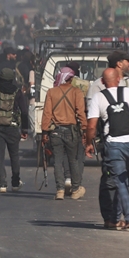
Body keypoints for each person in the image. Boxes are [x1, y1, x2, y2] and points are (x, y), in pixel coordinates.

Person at [86, 67, 129, 231]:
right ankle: (117, 219)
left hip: (114, 145)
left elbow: (92, 126)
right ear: (119, 79)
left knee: (119, 182)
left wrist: (89, 143)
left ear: (102, 82)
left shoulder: (98, 97)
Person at [0, 67, 31, 194]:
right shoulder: (17, 92)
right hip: (13, 128)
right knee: (14, 155)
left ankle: (2, 183)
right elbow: (24, 112)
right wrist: (24, 129)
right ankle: (15, 182)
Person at [40, 67, 86, 200]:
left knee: (57, 161)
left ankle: (60, 190)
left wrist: (44, 132)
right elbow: (81, 113)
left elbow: (47, 114)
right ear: (70, 79)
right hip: (72, 132)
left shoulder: (51, 92)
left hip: (55, 132)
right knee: (73, 160)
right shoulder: (77, 92)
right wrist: (84, 129)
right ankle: (75, 189)